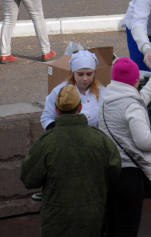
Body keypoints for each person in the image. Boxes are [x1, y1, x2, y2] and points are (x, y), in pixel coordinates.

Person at [20, 85, 121, 237]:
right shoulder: (100, 139)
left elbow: (29, 179)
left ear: (57, 110)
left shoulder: (46, 142)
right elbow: (114, 170)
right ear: (80, 108)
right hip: (92, 216)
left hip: (56, 218)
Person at [99, 58, 151, 237]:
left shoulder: (106, 99)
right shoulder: (131, 106)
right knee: (126, 230)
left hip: (108, 173)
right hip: (129, 176)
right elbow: (144, 141)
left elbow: (137, 102)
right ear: (135, 80)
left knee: (111, 226)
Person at [40, 49, 105, 129]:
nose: (85, 78)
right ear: (73, 73)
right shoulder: (59, 91)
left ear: (94, 73)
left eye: (89, 74)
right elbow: (46, 118)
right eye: (80, 74)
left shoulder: (102, 92)